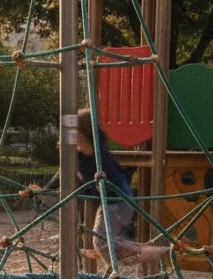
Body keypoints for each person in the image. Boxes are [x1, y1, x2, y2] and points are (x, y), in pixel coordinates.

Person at [21, 108, 165, 270]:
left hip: (118, 202)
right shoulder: (79, 157)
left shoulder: (95, 153)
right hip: (111, 202)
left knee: (100, 242)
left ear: (83, 134)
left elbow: (85, 146)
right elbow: (60, 178)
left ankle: (144, 256)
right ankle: (133, 258)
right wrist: (37, 192)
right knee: (104, 242)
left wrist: (70, 131)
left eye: (74, 133)